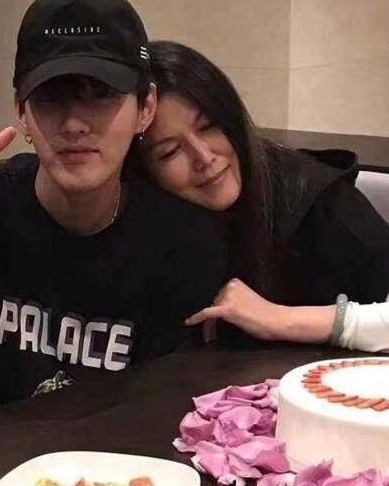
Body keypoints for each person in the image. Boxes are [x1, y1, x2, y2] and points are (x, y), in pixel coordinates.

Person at [0, 0, 226, 416]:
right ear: (22, 111)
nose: (73, 124)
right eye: (51, 96)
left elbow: (174, 412)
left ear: (146, 107)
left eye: (101, 94)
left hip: (121, 458)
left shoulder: (181, 241)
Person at [142, 40, 389, 351]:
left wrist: (281, 319)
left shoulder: (320, 202)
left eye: (208, 127)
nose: (204, 157)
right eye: (170, 151)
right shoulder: (150, 223)